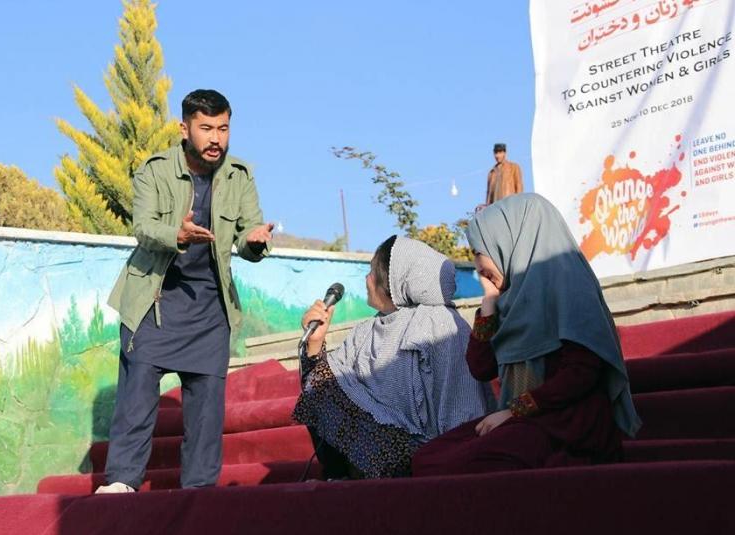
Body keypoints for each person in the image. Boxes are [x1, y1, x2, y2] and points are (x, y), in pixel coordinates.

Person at [96, 89, 273, 493]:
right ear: (185, 128)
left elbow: (247, 234)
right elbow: (141, 227)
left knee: (207, 412)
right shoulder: (154, 171)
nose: (216, 138)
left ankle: (199, 495)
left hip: (210, 309)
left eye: (223, 128)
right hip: (153, 303)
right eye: (206, 128)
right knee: (137, 400)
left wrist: (256, 242)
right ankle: (122, 484)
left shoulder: (240, 176)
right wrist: (175, 233)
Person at [412, 193, 642, 476]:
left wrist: (514, 412)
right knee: (427, 458)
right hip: (527, 422)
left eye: (479, 250)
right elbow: (481, 367)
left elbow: (581, 373)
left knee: (460, 464)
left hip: (567, 429)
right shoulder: (512, 300)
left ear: (511, 239)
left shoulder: (570, 286)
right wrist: (489, 303)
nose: (477, 264)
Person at [293, 235, 493, 479]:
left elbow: (463, 406)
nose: (366, 279)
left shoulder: (438, 323)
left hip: (425, 456)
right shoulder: (365, 331)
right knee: (319, 389)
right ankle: (339, 476)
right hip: (370, 455)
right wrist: (315, 344)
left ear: (391, 280)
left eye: (371, 271)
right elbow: (322, 385)